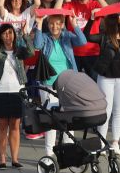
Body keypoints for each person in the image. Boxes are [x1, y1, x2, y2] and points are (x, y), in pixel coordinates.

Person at [0, 21, 34, 169]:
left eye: (10, 33)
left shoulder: (19, 50)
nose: (8, 36)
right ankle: (2, 159)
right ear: (1, 36)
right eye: (4, 33)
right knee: (2, 125)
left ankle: (15, 159)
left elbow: (31, 51)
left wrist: (24, 32)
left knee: (15, 125)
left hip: (18, 91)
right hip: (0, 91)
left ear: (14, 35)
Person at [32, 13, 87, 157]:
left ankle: (68, 150)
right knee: (51, 118)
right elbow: (37, 45)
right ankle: (49, 153)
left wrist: (74, 25)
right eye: (51, 23)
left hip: (67, 83)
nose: (54, 26)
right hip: (48, 84)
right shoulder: (45, 37)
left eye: (58, 23)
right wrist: (39, 24)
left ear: (62, 24)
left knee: (68, 117)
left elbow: (82, 41)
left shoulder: (66, 36)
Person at [83, 13, 120, 155]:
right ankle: (101, 142)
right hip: (106, 78)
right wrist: (92, 19)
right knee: (106, 110)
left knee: (118, 110)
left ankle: (115, 142)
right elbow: (87, 36)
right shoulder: (104, 37)